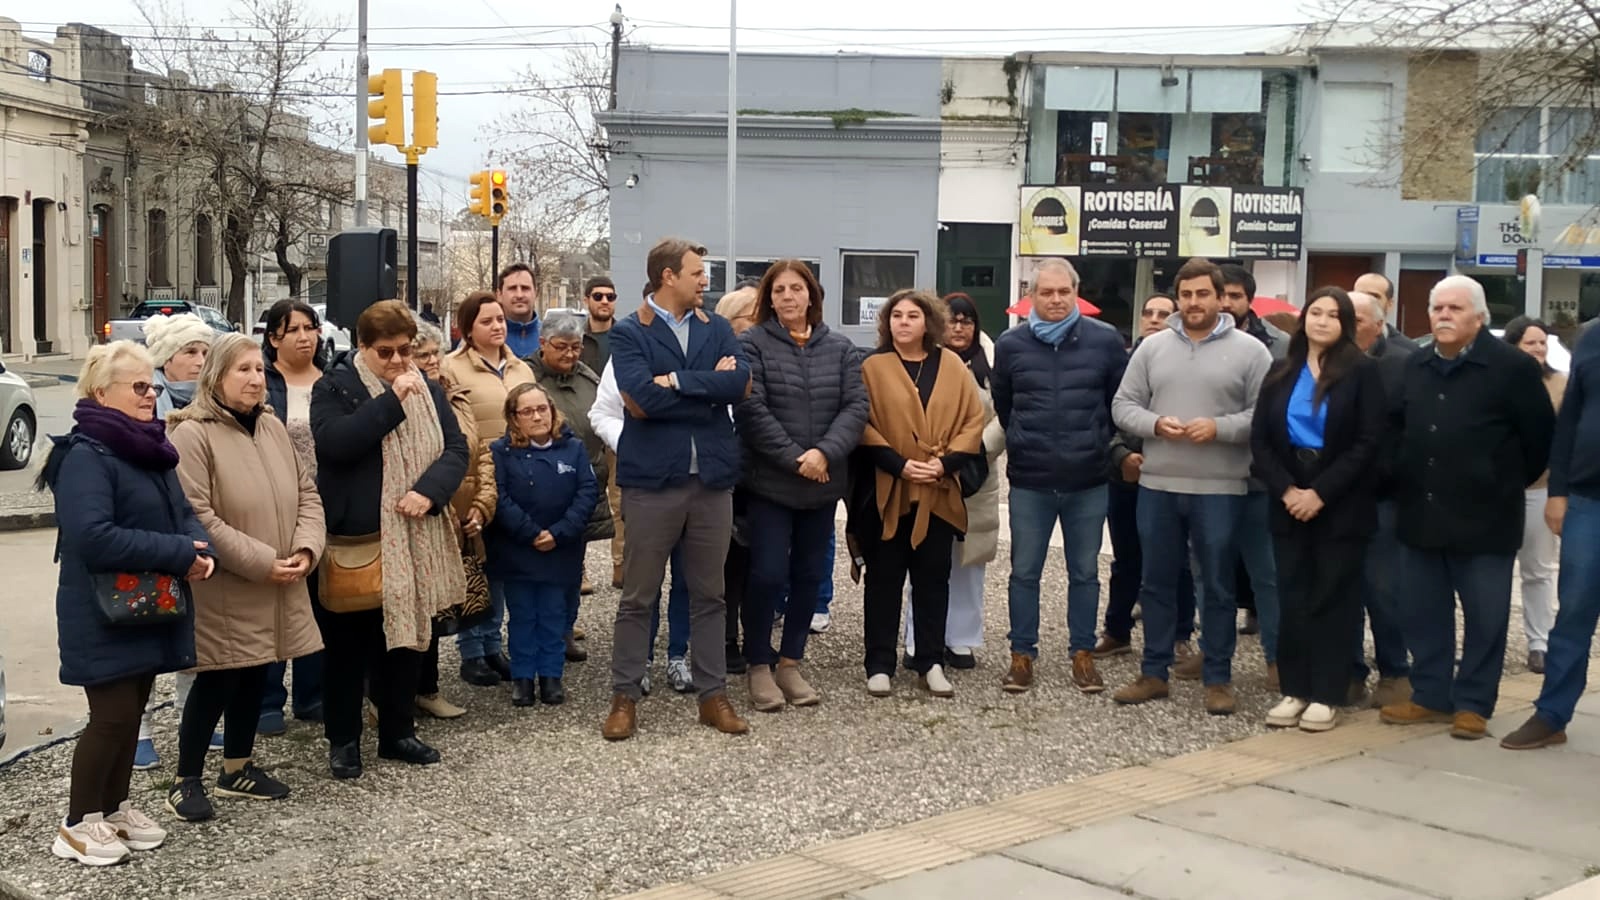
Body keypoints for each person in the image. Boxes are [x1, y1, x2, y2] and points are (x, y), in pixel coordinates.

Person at [39, 341, 213, 866]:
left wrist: (198, 550)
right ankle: (77, 824)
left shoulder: (150, 449)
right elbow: (92, 537)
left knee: (132, 710)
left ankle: (112, 810)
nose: (151, 394)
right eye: (139, 386)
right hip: (100, 611)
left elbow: (181, 512)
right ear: (100, 392)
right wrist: (179, 553)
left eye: (152, 385)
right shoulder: (85, 454)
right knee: (111, 718)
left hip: (143, 606)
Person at [1380, 276, 1554, 741]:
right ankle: (1431, 694)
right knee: (1422, 610)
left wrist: (1498, 480)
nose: (1443, 316)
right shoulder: (1415, 365)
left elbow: (1539, 439)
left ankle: (1474, 703)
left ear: (1479, 317)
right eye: (1437, 308)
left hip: (1486, 515)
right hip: (1422, 511)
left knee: (1486, 615)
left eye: (1454, 309)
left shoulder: (1512, 367)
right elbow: (1396, 430)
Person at [164, 334, 324, 820]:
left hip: (279, 577)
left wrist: (305, 548)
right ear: (217, 376)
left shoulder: (271, 427)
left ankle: (237, 767)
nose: (256, 379)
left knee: (257, 668)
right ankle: (185, 779)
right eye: (243, 370)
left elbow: (307, 493)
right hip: (228, 582)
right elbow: (199, 515)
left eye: (258, 369)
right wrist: (260, 561)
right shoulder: (191, 434)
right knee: (217, 677)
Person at [602, 238, 753, 741]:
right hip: (653, 482)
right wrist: (706, 385)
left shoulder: (717, 328)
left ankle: (713, 697)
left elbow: (741, 385)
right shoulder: (629, 332)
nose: (704, 281)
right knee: (638, 596)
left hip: (712, 480)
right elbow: (640, 400)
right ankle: (625, 694)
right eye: (697, 273)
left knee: (711, 594)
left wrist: (678, 383)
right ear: (668, 276)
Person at [312, 300, 468, 778]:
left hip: (413, 532)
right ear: (362, 347)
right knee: (347, 648)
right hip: (359, 537)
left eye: (405, 351)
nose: (399, 362)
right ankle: (343, 741)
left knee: (405, 643)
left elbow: (455, 447)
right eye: (386, 353)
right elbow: (337, 445)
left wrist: (429, 492)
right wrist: (391, 401)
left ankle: (398, 732)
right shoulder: (334, 386)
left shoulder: (428, 387)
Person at [1110, 258, 1272, 715]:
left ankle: (1218, 677)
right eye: (1187, 294)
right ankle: (1153, 672)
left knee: (1218, 585)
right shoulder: (1151, 348)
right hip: (1159, 485)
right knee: (1157, 582)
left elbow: (1264, 416)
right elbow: (1123, 406)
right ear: (1177, 298)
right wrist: (1156, 423)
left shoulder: (1251, 351)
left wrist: (1220, 428)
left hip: (1221, 488)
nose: (1194, 302)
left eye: (1204, 294)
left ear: (1222, 298)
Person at [734, 260, 868, 711]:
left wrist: (825, 453)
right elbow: (752, 410)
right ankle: (758, 664)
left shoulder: (842, 349)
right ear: (768, 299)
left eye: (796, 288)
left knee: (810, 575)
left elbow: (855, 407)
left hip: (822, 484)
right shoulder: (751, 344)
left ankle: (790, 662)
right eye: (779, 290)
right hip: (772, 484)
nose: (788, 297)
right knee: (768, 573)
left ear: (812, 295)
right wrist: (798, 458)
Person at [1251, 288, 1384, 733]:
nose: (1322, 321)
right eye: (1315, 313)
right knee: (1292, 595)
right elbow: (1261, 442)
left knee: (1333, 597)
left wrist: (1319, 493)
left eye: (1332, 315)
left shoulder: (1363, 372)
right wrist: (1287, 489)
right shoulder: (1281, 370)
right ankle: (1295, 688)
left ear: (1345, 324)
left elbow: (1368, 443)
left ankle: (1327, 692)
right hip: (1288, 497)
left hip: (1339, 502)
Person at [992, 259, 1127, 695]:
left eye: (1062, 292)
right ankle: (1022, 655)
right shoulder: (1010, 345)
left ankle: (1083, 654)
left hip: (1087, 478)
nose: (1054, 300)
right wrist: (1025, 440)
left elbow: (1116, 404)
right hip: (1031, 478)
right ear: (1032, 295)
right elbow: (1005, 404)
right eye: (1045, 292)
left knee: (1085, 573)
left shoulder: (1105, 341)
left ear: (1076, 292)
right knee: (1024, 573)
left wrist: (1097, 445)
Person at [853, 290, 985, 699]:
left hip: (938, 490)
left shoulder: (952, 366)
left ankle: (931, 661)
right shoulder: (872, 367)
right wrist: (899, 463)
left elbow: (973, 420)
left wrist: (943, 465)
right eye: (896, 315)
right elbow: (861, 421)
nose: (903, 322)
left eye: (912, 315)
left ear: (928, 322)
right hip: (889, 489)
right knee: (884, 580)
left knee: (933, 580)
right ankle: (878, 664)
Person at [1502, 322, 1600, 749]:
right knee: (1574, 609)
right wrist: (1558, 490)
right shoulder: (1592, 337)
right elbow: (1572, 418)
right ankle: (1552, 714)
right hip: (1587, 498)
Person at [901, 294, 1002, 672]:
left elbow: (1004, 415)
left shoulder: (993, 364)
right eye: (953, 320)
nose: (960, 327)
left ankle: (960, 639)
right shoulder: (924, 362)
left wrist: (972, 450)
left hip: (975, 474)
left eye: (967, 321)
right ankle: (918, 639)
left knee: (969, 562)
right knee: (924, 561)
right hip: (929, 472)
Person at [441, 290, 535, 687]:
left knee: (504, 567)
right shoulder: (451, 368)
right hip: (474, 479)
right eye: (487, 321)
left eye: (500, 320)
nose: (497, 327)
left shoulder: (520, 368)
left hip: (516, 476)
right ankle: (472, 649)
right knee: (476, 566)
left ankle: (494, 644)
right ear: (468, 327)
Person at [133, 311, 214, 768]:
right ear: (166, 359)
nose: (200, 360)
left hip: (192, 529)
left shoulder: (210, 401)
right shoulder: (147, 405)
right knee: (141, 632)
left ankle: (191, 717)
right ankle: (137, 729)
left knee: (194, 632)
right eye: (190, 351)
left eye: (204, 351)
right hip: (151, 533)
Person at [1100, 293, 1198, 662]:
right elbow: (1106, 415)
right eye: (1148, 313)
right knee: (1126, 559)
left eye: (1163, 313)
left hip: (1175, 472)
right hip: (1126, 474)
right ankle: (1117, 631)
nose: (1155, 319)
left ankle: (1180, 635)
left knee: (1180, 561)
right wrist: (1120, 454)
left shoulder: (1187, 362)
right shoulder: (1122, 362)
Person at [489, 383, 600, 706]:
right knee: (523, 616)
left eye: (542, 409)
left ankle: (551, 677)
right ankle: (523, 678)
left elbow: (587, 493)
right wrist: (530, 532)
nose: (537, 416)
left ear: (552, 411)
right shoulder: (500, 452)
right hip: (518, 549)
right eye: (527, 411)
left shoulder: (573, 448)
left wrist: (560, 532)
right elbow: (500, 497)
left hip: (561, 548)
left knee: (554, 615)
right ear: (514, 417)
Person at [590, 352, 693, 695]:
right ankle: (641, 660)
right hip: (646, 482)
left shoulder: (705, 343)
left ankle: (678, 655)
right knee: (643, 581)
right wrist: (636, 447)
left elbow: (726, 413)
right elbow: (602, 413)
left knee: (689, 578)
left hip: (696, 480)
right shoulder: (630, 352)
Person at [528, 310, 615, 662]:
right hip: (538, 488)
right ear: (543, 344)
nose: (569, 354)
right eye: (561, 347)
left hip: (584, 484)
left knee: (572, 567)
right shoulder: (526, 375)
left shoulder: (589, 377)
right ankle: (536, 636)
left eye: (576, 347)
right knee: (537, 568)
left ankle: (565, 631)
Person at [258, 300, 326, 736]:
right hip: (275, 503)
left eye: (309, 327)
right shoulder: (263, 383)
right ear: (273, 338)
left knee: (318, 605)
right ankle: (267, 699)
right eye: (292, 329)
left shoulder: (335, 380)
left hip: (326, 505)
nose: (304, 336)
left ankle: (312, 694)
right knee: (275, 604)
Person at [412, 321, 484, 720]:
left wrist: (481, 505)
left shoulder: (454, 396)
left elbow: (480, 453)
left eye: (436, 353)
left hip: (461, 513)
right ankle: (390, 695)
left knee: (441, 609)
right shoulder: (402, 397)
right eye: (424, 356)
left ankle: (427, 688)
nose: (433, 362)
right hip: (423, 511)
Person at [1216, 263, 1282, 686]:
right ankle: (1213, 660)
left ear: (1249, 301)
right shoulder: (1192, 344)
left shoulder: (1281, 347)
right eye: (1219, 295)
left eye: (1234, 296)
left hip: (1262, 479)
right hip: (1211, 478)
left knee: (1268, 575)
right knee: (1212, 574)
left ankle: (1278, 659)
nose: (1225, 304)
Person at [1348, 290, 1415, 708]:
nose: (1348, 325)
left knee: (1383, 589)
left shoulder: (1401, 365)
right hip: (1330, 498)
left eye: (1356, 318)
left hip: (1382, 498)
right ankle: (1350, 671)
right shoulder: (1319, 365)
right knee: (1342, 590)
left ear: (1378, 323)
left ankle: (1395, 671)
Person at [1502, 316, 1568, 674]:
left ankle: (1539, 643)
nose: (1539, 349)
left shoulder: (1561, 384)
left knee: (1539, 570)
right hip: (1499, 491)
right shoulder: (1496, 381)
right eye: (1530, 343)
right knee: (1492, 570)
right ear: (1513, 346)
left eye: (1543, 342)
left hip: (1542, 490)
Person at [715, 286, 760, 672]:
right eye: (752, 316)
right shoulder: (717, 355)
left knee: (752, 562)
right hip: (721, 472)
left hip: (758, 472)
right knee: (726, 565)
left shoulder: (766, 354)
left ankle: (754, 634)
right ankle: (724, 637)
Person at [145, 312, 213, 420]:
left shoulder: (221, 400)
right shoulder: (144, 400)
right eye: (191, 352)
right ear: (166, 360)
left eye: (205, 353)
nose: (201, 362)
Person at [1352, 272, 1420, 352]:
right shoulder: (1336, 341)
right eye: (1359, 295)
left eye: (1374, 296)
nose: (1366, 301)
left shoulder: (1410, 351)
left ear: (1389, 304)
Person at [498, 263, 542, 358]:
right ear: (499, 295)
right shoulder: (484, 337)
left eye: (525, 288)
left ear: (536, 293)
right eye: (512, 288)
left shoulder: (550, 337)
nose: (519, 295)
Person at [580, 276, 618, 373]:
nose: (605, 301)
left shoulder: (626, 337)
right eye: (598, 296)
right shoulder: (576, 338)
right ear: (586, 301)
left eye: (610, 297)